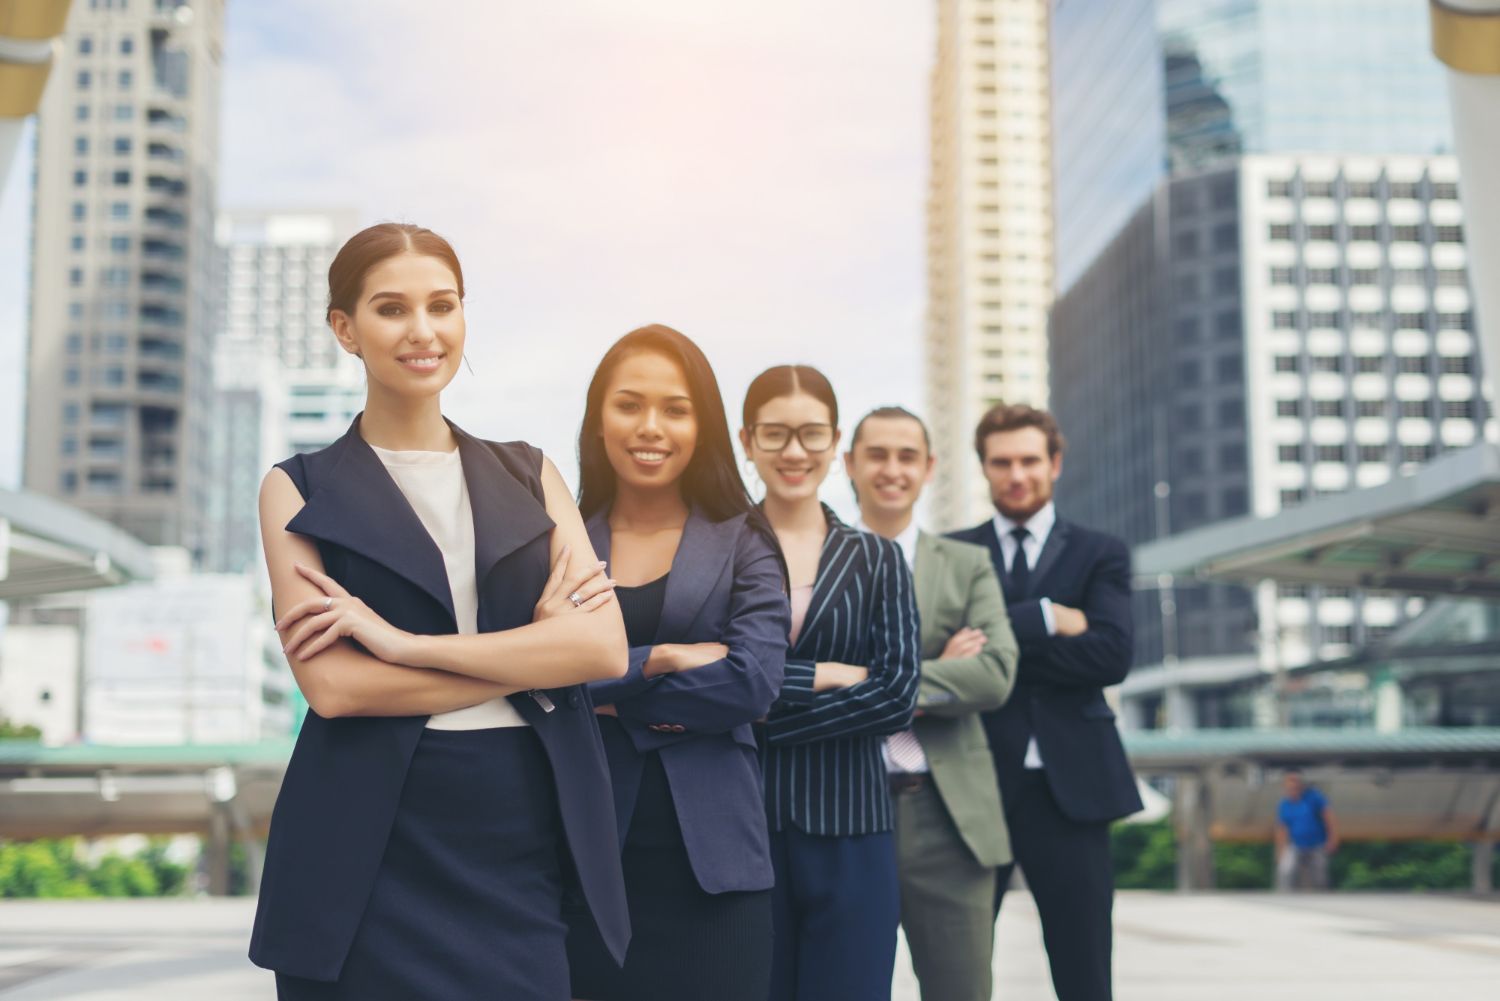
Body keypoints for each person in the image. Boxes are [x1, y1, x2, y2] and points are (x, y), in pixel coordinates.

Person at [250, 223, 630, 1000]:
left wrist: (398, 644)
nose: (423, 331)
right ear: (345, 329)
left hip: (520, 822)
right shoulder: (297, 487)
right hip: (369, 840)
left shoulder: (529, 471)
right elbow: (337, 689)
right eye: (392, 309)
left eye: (442, 306)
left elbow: (601, 651)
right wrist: (530, 657)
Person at [563, 324, 789, 1000]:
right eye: (629, 404)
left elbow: (753, 682)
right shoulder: (558, 540)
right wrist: (658, 657)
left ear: (704, 425)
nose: (650, 426)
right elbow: (537, 678)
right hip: (586, 852)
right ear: (598, 419)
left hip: (716, 866)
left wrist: (607, 695)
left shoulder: (746, 539)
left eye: (675, 407)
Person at [948, 402, 1142, 1001]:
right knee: (958, 966)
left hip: (1073, 788)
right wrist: (1050, 619)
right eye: (1001, 462)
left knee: (1084, 971)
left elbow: (1111, 656)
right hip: (975, 781)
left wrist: (996, 643)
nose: (1017, 475)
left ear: (1055, 463)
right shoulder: (951, 554)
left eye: (1030, 460)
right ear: (983, 467)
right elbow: (939, 657)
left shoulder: (1101, 552)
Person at [741, 366, 921, 1001]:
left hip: (852, 823)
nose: (795, 452)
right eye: (777, 434)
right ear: (747, 440)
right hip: (742, 820)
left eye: (812, 434)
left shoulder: (877, 557)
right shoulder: (716, 546)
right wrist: (819, 676)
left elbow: (898, 692)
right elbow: (712, 672)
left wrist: (761, 712)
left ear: (835, 442)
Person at [844, 406, 1018, 1001]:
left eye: (907, 456)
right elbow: (794, 679)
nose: (892, 469)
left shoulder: (968, 566)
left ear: (929, 469)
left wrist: (870, 682)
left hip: (950, 819)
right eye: (877, 454)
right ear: (850, 464)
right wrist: (939, 667)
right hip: (842, 807)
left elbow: (995, 674)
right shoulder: (814, 564)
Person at [1275, 769, 1338, 891]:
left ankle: (1322, 897)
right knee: (1286, 869)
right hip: (1295, 845)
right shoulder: (1284, 804)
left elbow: (1329, 817)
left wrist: (1333, 838)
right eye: (1290, 785)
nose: (1293, 788)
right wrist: (1280, 851)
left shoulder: (1313, 797)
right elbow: (1282, 829)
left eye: (1295, 784)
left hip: (1317, 844)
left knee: (1320, 876)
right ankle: (1284, 896)